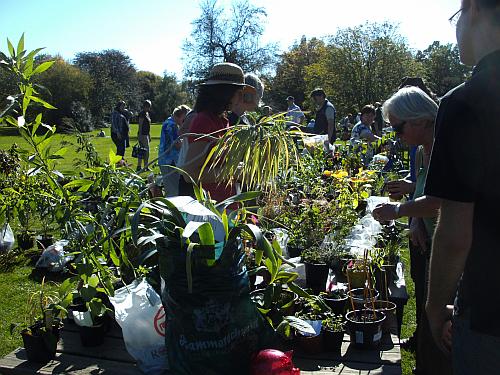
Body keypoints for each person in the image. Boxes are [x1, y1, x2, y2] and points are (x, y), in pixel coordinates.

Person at [424, 1, 500, 374]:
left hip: (491, 314)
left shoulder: (467, 102)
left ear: (474, 10)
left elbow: (455, 233)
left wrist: (435, 308)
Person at [372, 87, 449, 375]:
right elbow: (422, 189)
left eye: (397, 127)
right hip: (429, 239)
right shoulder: (421, 152)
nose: (396, 134)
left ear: (418, 120)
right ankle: (425, 360)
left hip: (452, 246)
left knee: (443, 316)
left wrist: (400, 212)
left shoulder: (446, 146)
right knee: (426, 302)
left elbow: (441, 200)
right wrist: (416, 220)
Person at [181, 62, 256, 202]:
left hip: (226, 203)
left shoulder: (223, 120)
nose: (241, 99)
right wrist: (232, 171)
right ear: (224, 93)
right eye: (238, 93)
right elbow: (189, 173)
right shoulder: (204, 120)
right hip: (209, 208)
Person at [159, 104, 191, 197]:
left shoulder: (168, 122)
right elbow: (177, 145)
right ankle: (171, 210)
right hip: (169, 161)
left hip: (166, 160)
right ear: (179, 116)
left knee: (172, 188)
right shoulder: (171, 125)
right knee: (173, 191)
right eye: (184, 120)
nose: (185, 122)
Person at [110, 100, 130, 165]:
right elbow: (113, 124)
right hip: (116, 134)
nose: (123, 107)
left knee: (122, 148)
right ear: (119, 106)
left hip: (122, 134)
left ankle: (120, 162)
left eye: (124, 106)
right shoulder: (115, 113)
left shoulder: (121, 113)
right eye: (122, 106)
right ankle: (118, 162)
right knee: (120, 148)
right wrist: (117, 132)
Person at [136, 100, 152, 171]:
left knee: (145, 151)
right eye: (148, 106)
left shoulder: (147, 113)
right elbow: (140, 125)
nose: (149, 108)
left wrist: (149, 135)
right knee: (143, 151)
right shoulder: (142, 114)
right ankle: (141, 166)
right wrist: (139, 135)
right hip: (142, 135)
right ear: (145, 106)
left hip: (146, 134)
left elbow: (148, 126)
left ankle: (144, 166)